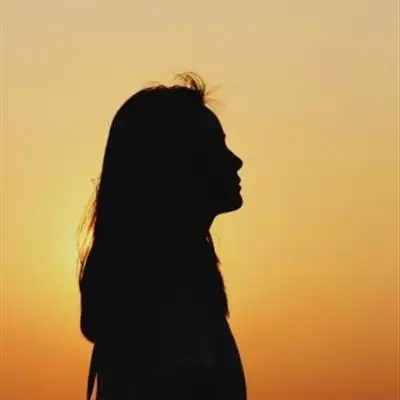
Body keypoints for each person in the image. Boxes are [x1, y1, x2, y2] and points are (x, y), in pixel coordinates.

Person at [77, 72, 247, 399]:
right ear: (176, 166)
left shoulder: (162, 288)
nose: (235, 161)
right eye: (215, 148)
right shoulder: (169, 302)